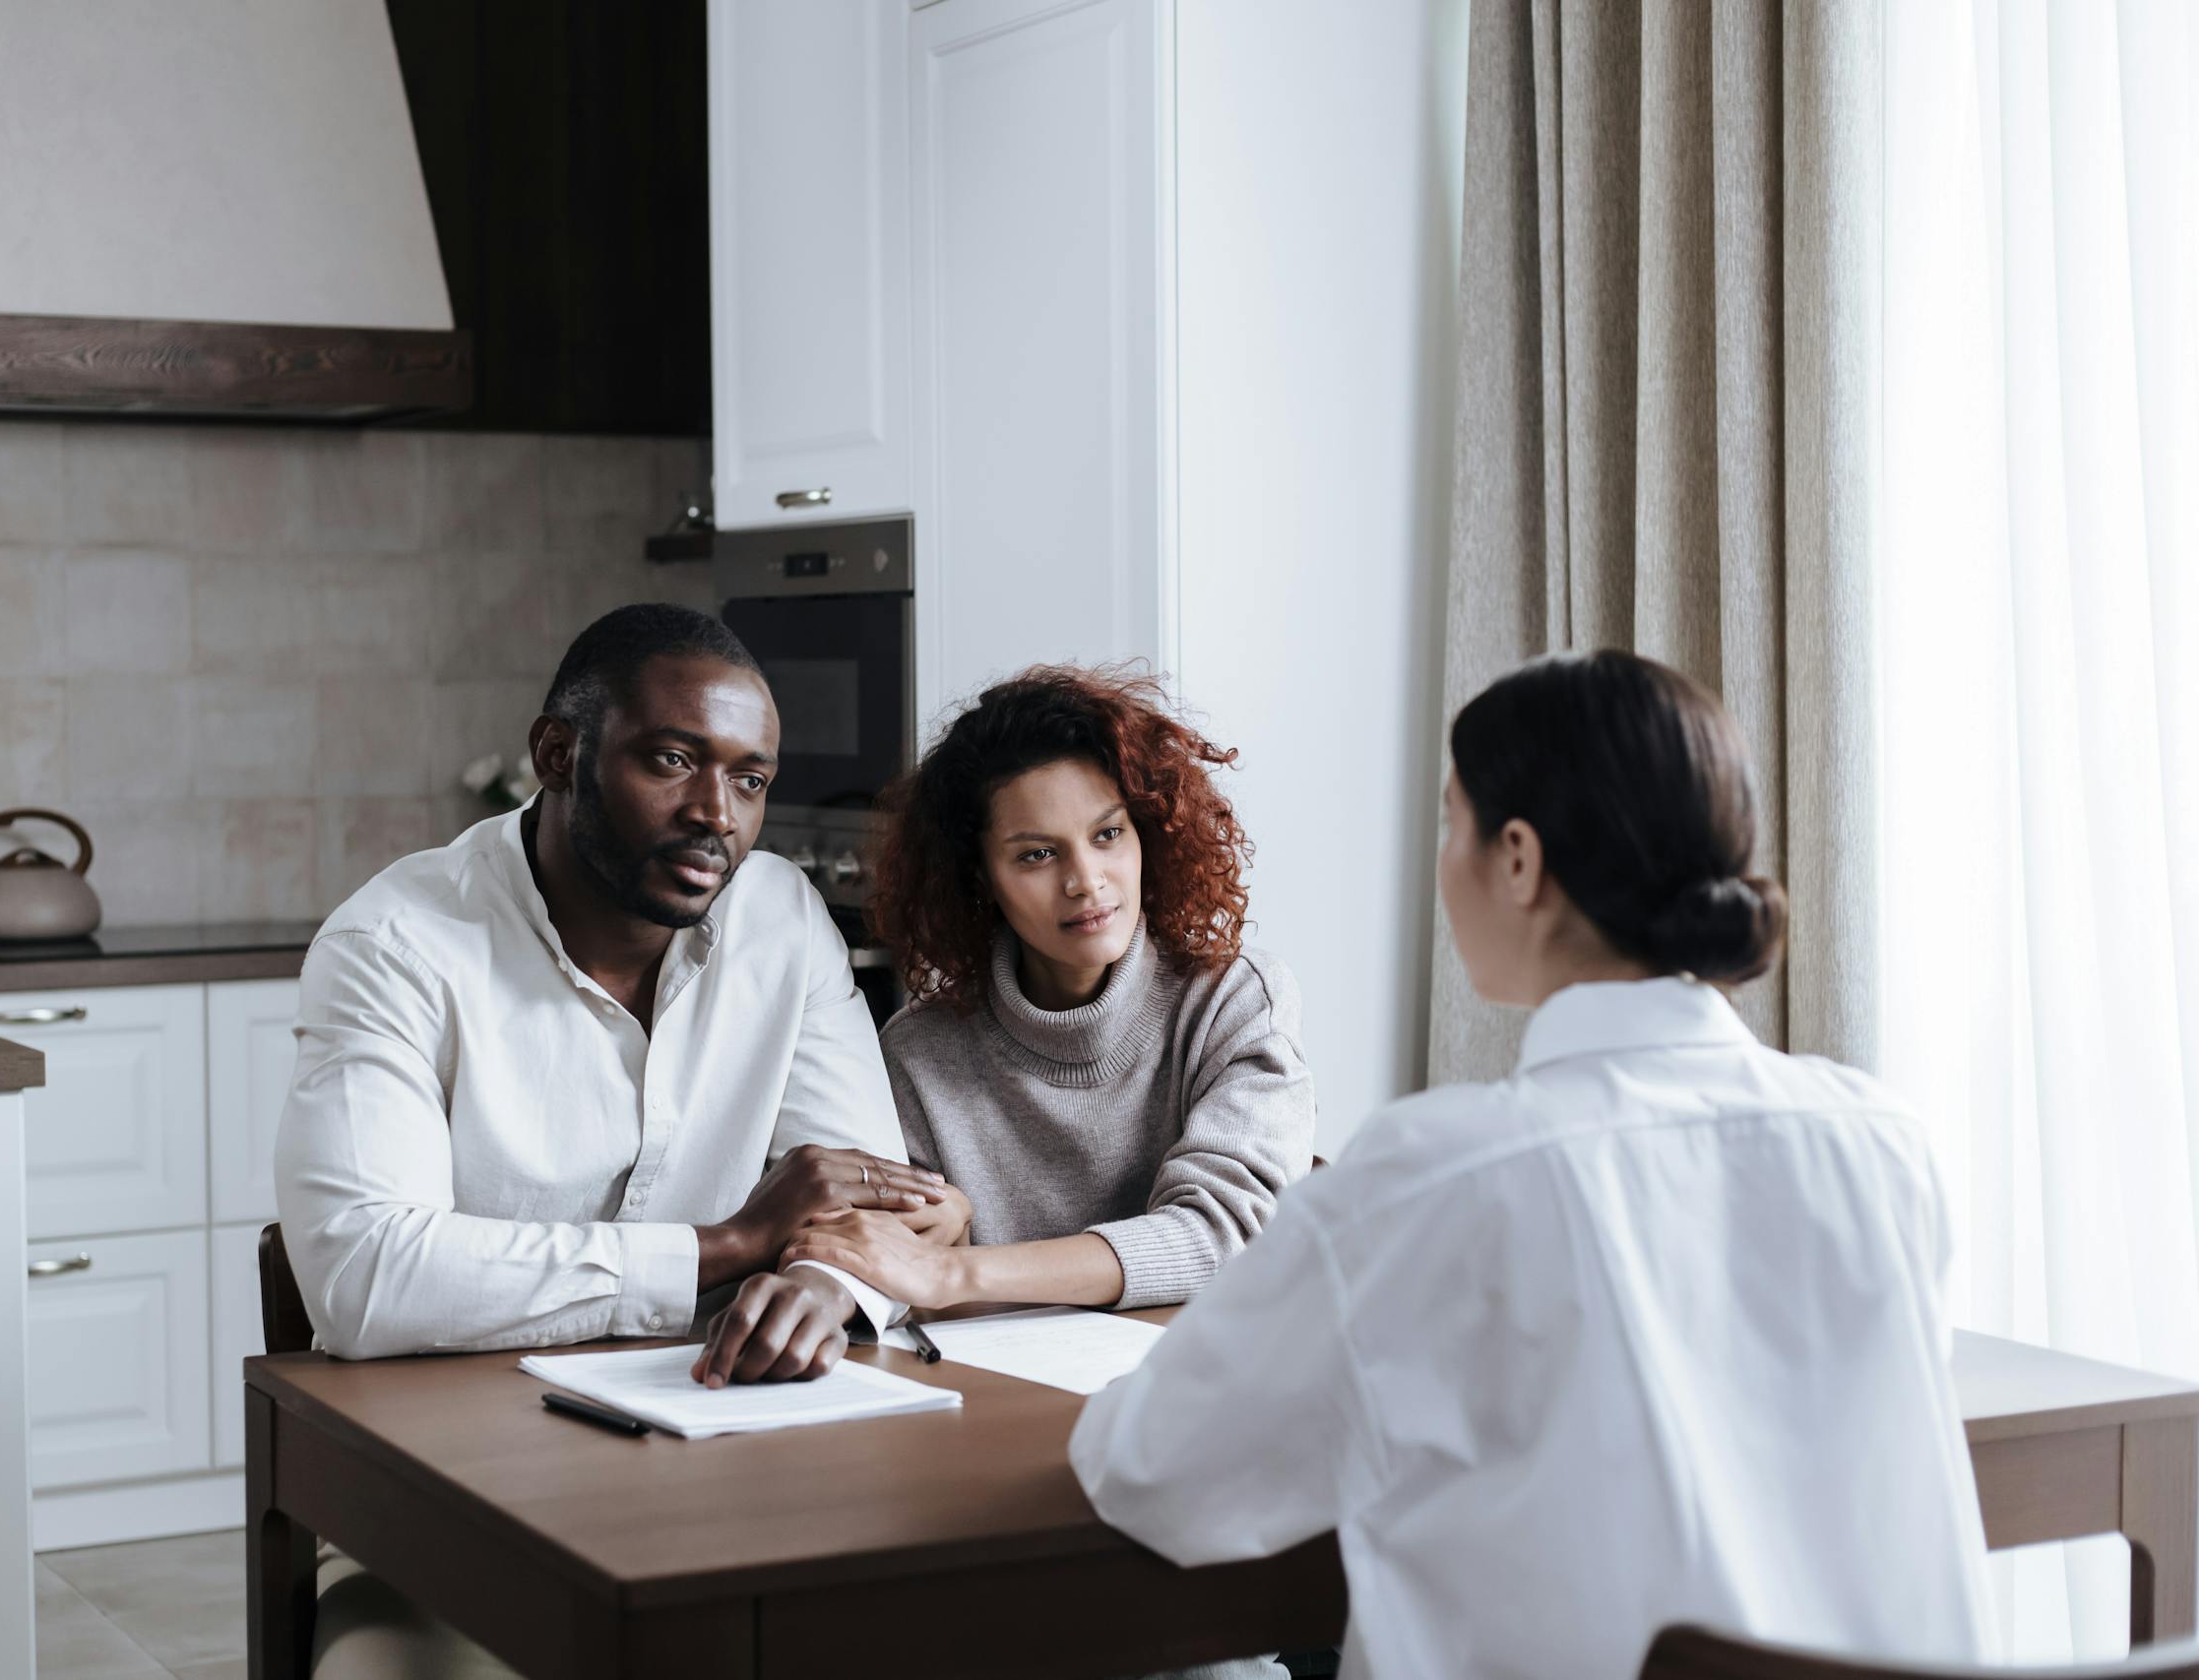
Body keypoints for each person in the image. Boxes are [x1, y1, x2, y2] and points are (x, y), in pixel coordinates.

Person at [1067, 651, 1995, 1680]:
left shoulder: (1435, 1175)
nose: (1441, 860)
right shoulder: (1879, 1138)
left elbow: (1155, 1475)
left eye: (1449, 823)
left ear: (1517, 859)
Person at [276, 604, 962, 1677]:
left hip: (732, 1457)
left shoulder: (781, 920)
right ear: (558, 755)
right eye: (673, 761)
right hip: (457, 1494)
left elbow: (861, 1208)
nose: (716, 815)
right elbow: (367, 1279)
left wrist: (829, 1285)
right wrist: (728, 1246)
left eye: (749, 780)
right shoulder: (397, 944)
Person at [783, 665, 1313, 1320]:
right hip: (999, 1407)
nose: (1086, 880)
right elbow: (892, 1278)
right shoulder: (919, 1055)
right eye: (1037, 854)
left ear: (1147, 831)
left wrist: (958, 1267)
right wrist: (942, 1240)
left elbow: (1223, 1235)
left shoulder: (1234, 1001)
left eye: (1107, 834)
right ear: (981, 878)